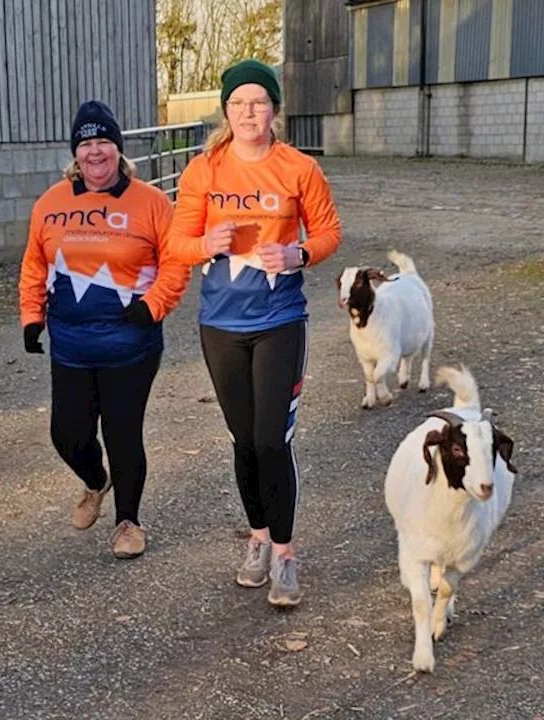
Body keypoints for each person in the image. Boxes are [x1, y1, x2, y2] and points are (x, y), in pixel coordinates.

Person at [167, 59, 342, 606]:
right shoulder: (203, 171)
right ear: (225, 110)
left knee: (272, 440)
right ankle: (258, 540)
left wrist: (299, 253)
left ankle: (286, 555)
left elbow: (330, 231)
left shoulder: (298, 168)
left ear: (274, 110)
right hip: (220, 326)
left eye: (259, 102)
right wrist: (205, 246)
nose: (249, 112)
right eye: (239, 103)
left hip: (279, 322)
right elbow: (176, 244)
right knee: (244, 442)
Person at [19, 100, 190, 559]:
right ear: (76, 153)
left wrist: (154, 306)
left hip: (131, 345)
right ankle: (96, 481)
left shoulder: (151, 202)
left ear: (118, 148)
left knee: (122, 431)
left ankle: (128, 521)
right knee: (67, 434)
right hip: (71, 344)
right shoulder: (51, 203)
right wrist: (31, 316)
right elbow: (35, 262)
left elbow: (176, 263)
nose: (95, 152)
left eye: (104, 142)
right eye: (86, 143)